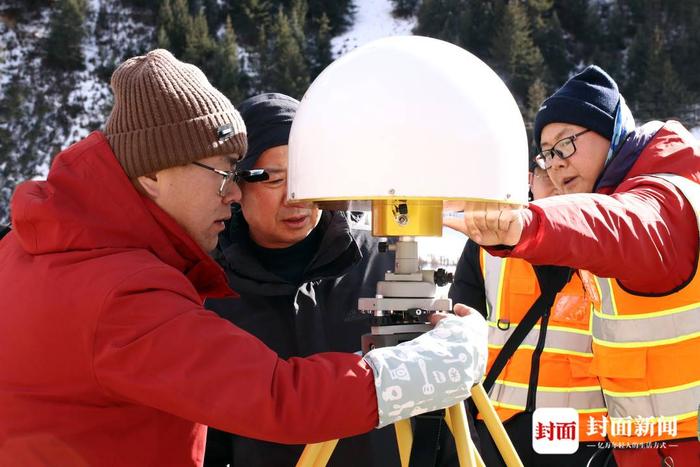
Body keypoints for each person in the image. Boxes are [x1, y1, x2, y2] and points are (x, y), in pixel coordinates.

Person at [0, 49, 488, 467]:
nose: (231, 193)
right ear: (153, 174)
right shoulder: (126, 290)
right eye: (222, 173)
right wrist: (432, 367)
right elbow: (279, 398)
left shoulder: (34, 248)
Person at [446, 65, 700, 467]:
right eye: (547, 154)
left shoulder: (664, 201)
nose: (556, 164)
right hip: (637, 446)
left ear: (613, 133)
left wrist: (529, 224)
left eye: (566, 144)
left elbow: (613, 223)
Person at [203, 93, 401, 467]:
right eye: (273, 179)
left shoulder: (381, 260)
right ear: (236, 186)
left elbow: (433, 413)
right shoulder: (210, 288)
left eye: (305, 178)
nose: (295, 198)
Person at [450, 160, 609, 466]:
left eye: (564, 176)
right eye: (545, 176)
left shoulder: (604, 244)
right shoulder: (486, 245)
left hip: (581, 433)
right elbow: (460, 328)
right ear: (529, 180)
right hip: (496, 424)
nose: (555, 183)